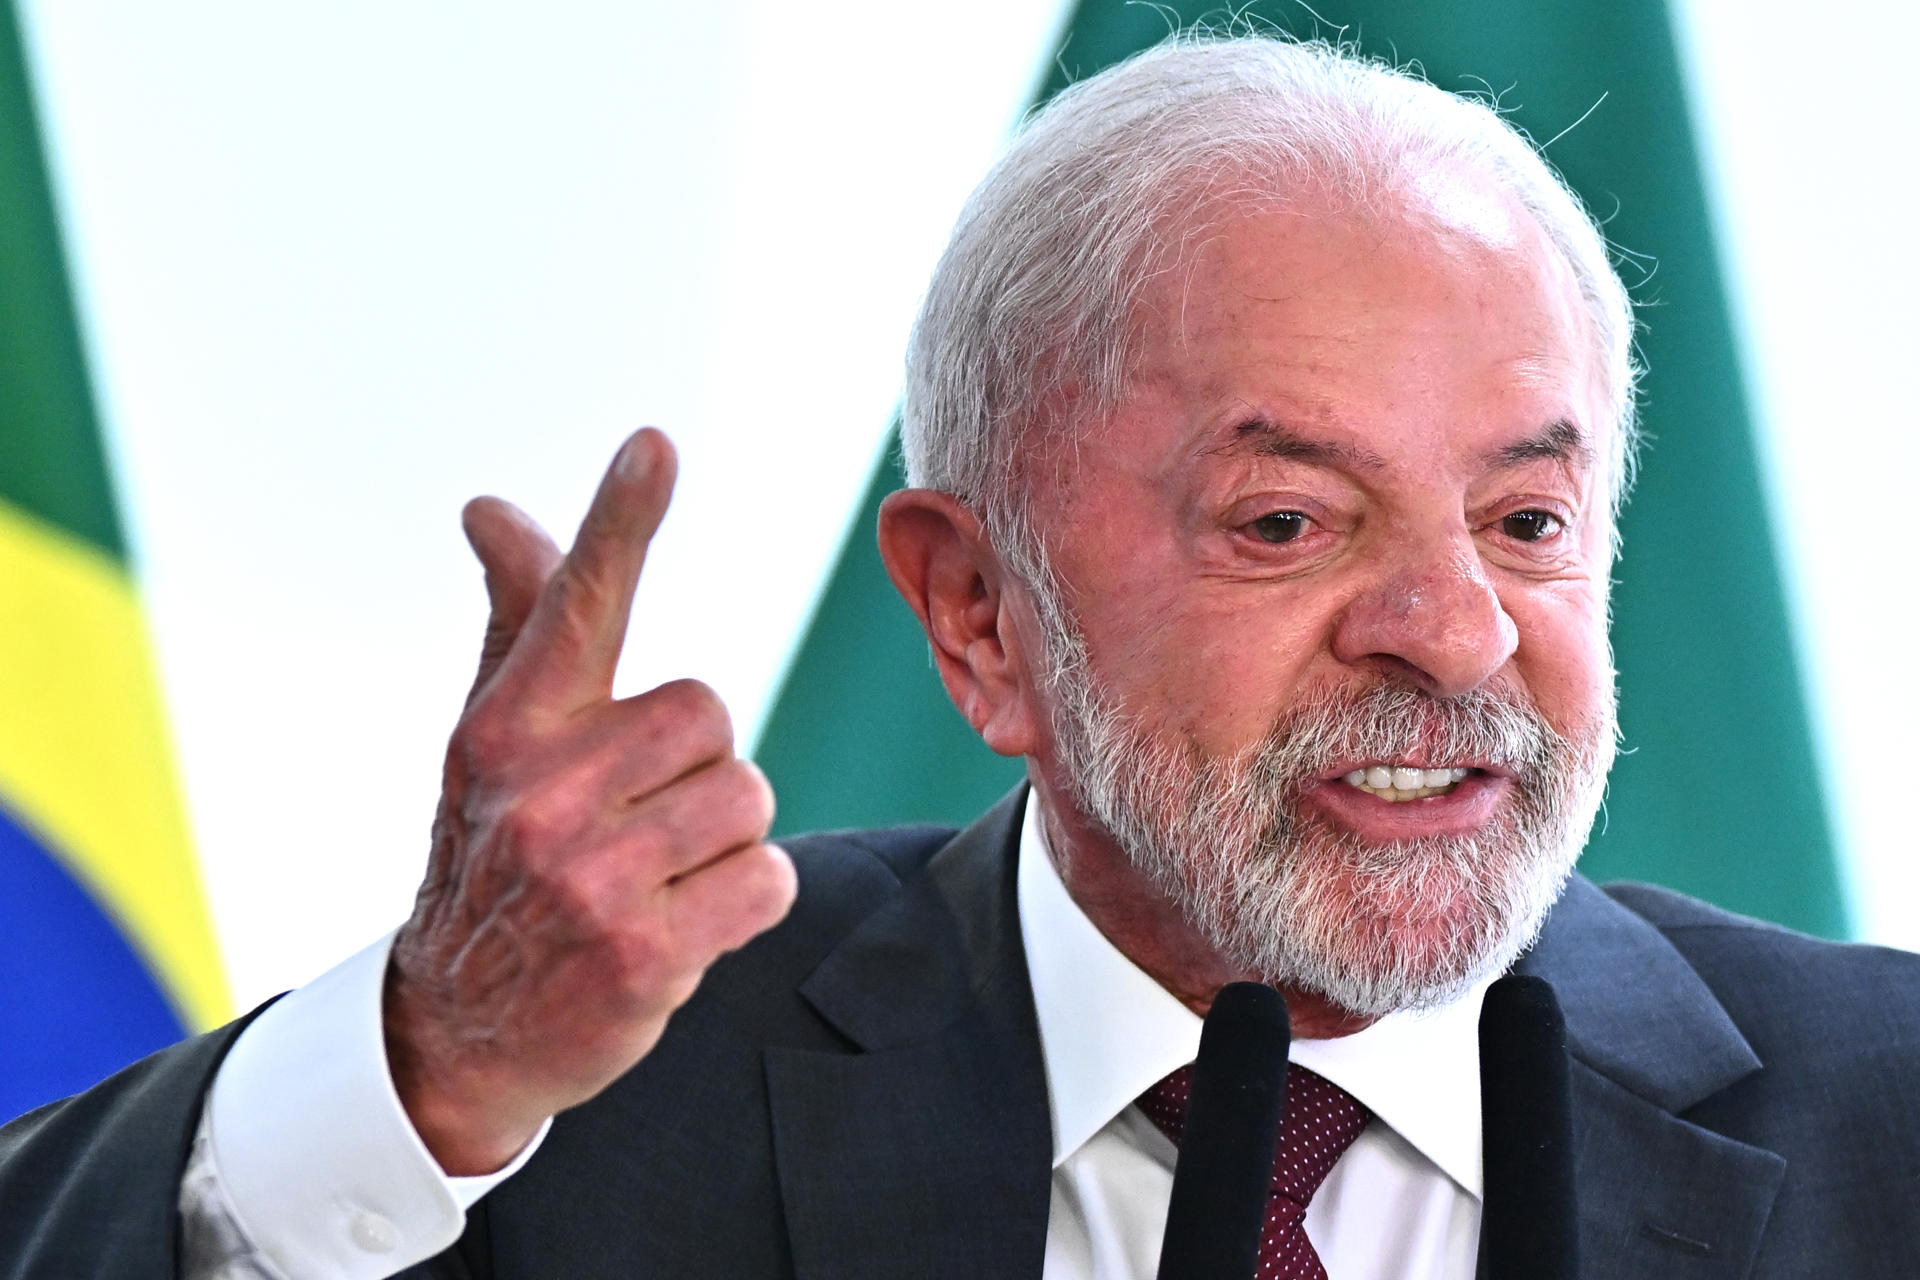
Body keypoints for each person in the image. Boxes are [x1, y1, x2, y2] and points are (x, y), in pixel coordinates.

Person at [3, 33, 1917, 1280]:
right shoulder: (590, 1092)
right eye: (1287, 522)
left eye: (1529, 522)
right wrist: (429, 1064)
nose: (1455, 630)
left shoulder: (1889, 1117)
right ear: (976, 611)